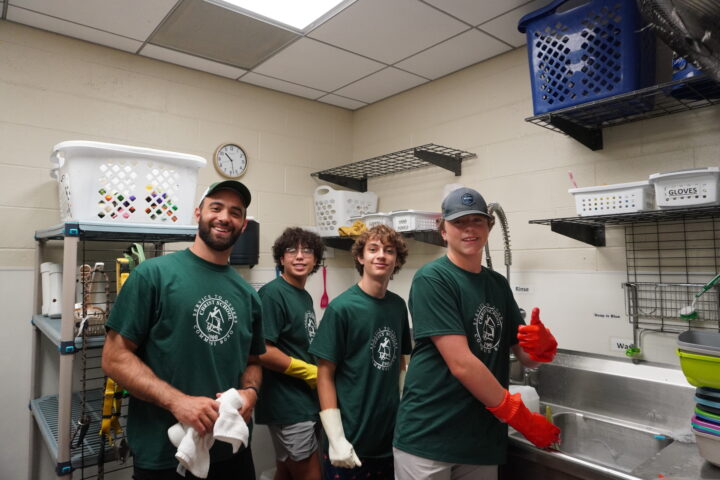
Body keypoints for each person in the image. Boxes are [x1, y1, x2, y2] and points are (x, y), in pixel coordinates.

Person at [393, 186, 561, 480]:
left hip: (481, 439)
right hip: (430, 437)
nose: (469, 229)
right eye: (458, 222)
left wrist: (540, 348)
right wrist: (522, 419)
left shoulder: (497, 284)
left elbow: (522, 355)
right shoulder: (433, 278)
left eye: (477, 221)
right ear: (443, 231)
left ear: (488, 227)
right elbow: (462, 364)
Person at [102, 180, 266, 480]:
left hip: (232, 449)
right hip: (165, 454)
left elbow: (253, 362)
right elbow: (114, 357)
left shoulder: (248, 295)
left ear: (243, 226)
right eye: (215, 207)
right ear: (198, 213)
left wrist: (251, 393)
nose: (224, 217)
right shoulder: (152, 276)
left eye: (235, 212)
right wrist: (177, 402)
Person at [309, 224, 411, 480]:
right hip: (350, 441)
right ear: (360, 257)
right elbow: (324, 375)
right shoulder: (341, 309)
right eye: (373, 249)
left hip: (388, 439)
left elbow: (401, 364)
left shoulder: (398, 307)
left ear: (396, 259)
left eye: (389, 251)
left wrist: (405, 415)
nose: (381, 256)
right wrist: (335, 437)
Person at [255, 227, 326, 480]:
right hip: (288, 405)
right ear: (281, 258)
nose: (299, 256)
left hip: (302, 401)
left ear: (315, 259)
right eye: (291, 250)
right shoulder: (274, 294)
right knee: (309, 473)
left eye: (307, 251)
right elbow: (262, 351)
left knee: (286, 469)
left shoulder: (303, 295)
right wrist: (309, 372)